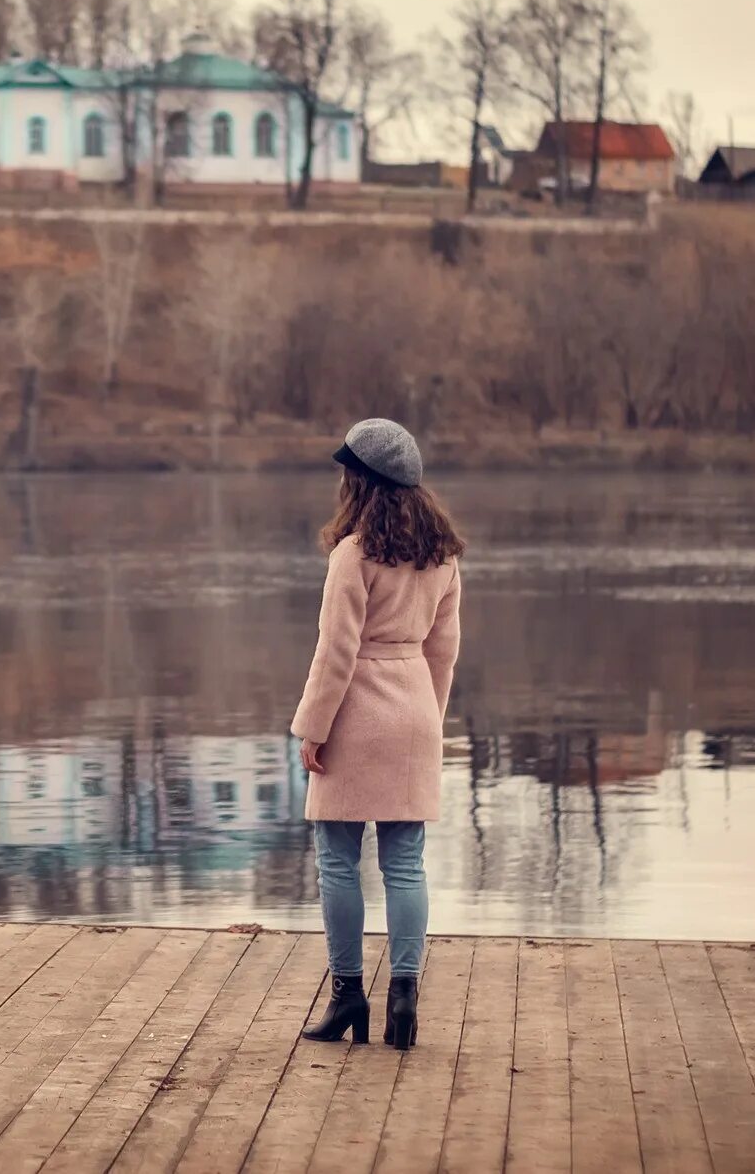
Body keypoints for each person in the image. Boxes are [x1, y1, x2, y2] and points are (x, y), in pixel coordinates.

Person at [291, 418, 464, 1049]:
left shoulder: (352, 553)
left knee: (338, 862)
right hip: (415, 707)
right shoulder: (441, 554)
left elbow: (335, 653)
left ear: (360, 481)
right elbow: (444, 651)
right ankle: (405, 997)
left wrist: (312, 728)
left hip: (357, 713)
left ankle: (346, 999)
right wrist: (430, 722)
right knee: (406, 863)